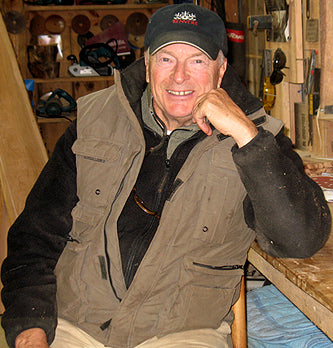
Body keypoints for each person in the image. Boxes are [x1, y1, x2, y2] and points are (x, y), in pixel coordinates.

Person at [1, 3, 331, 348]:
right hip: (76, 324)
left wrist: (245, 135)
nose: (179, 77)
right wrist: (30, 325)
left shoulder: (258, 138)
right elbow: (35, 235)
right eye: (166, 59)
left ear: (220, 72)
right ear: (146, 67)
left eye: (197, 61)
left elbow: (299, 240)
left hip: (182, 332)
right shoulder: (94, 121)